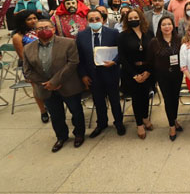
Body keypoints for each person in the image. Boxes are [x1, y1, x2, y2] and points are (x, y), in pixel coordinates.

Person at [23, 19, 85, 152]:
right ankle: (61, 137)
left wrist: (55, 82)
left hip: (68, 85)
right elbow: (27, 71)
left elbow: (73, 63)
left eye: (46, 27)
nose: (43, 30)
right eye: (39, 28)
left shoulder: (68, 43)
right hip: (45, 88)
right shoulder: (28, 48)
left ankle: (79, 134)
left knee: (76, 112)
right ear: (35, 32)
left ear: (53, 29)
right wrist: (46, 84)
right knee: (56, 116)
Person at [77, 10, 125, 138]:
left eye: (97, 19)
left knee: (114, 100)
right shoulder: (81, 36)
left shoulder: (113, 33)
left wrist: (114, 62)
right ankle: (102, 123)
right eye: (91, 20)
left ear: (103, 20)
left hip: (111, 73)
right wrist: (83, 75)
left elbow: (122, 52)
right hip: (92, 75)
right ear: (87, 21)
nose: (94, 22)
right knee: (98, 101)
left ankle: (119, 123)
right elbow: (79, 58)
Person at [117, 8, 154, 139]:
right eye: (130, 18)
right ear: (127, 20)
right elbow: (121, 57)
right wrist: (134, 75)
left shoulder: (149, 33)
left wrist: (148, 71)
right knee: (136, 98)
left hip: (147, 70)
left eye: (135, 17)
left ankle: (145, 117)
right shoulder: (122, 35)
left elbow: (153, 53)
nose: (133, 20)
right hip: (130, 72)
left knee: (145, 96)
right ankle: (139, 124)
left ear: (141, 18)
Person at [145, 17, 184, 141]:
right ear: (160, 27)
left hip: (177, 74)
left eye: (169, 24)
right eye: (164, 24)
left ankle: (175, 119)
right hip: (162, 76)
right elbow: (150, 61)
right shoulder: (154, 42)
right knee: (168, 99)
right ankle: (172, 126)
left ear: (173, 26)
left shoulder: (179, 40)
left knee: (175, 98)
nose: (167, 27)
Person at [12, 10, 48, 123]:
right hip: (32, 67)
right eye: (29, 19)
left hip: (49, 63)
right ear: (23, 22)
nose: (33, 21)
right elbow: (23, 56)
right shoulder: (18, 36)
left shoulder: (42, 30)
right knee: (38, 90)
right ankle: (43, 111)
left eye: (34, 18)